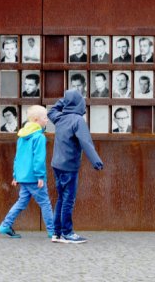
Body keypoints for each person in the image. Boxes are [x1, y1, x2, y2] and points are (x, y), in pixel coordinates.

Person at [48, 89, 103, 243]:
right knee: (68, 199)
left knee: (61, 198)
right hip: (69, 166)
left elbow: (52, 110)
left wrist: (64, 100)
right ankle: (67, 232)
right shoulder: (78, 120)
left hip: (56, 164)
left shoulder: (60, 117)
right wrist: (96, 161)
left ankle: (56, 233)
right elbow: (86, 142)